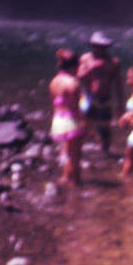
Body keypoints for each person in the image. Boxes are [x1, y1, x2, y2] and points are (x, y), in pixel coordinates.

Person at [77, 31, 124, 153]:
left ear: (106, 47)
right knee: (84, 126)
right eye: (97, 46)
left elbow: (118, 85)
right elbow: (78, 77)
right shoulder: (85, 59)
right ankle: (78, 151)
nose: (100, 49)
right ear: (92, 46)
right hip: (87, 97)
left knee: (105, 129)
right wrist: (91, 68)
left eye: (102, 47)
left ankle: (105, 153)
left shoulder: (113, 62)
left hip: (105, 99)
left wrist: (120, 105)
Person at [49, 49, 87, 187]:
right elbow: (76, 108)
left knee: (67, 150)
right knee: (75, 155)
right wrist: (85, 123)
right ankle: (75, 183)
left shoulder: (54, 81)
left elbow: (55, 103)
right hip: (71, 121)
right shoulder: (72, 83)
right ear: (73, 67)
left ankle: (65, 177)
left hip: (58, 120)